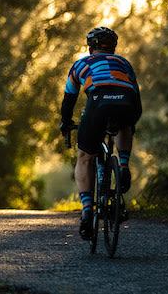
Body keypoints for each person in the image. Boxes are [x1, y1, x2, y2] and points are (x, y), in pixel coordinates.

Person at [59, 25, 142, 240]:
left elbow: (69, 100)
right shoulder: (124, 63)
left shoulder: (80, 65)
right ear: (113, 47)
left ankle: (87, 211)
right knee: (125, 124)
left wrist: (66, 123)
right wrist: (132, 122)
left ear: (90, 47)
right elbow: (137, 100)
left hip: (98, 103)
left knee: (85, 157)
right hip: (126, 102)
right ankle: (123, 165)